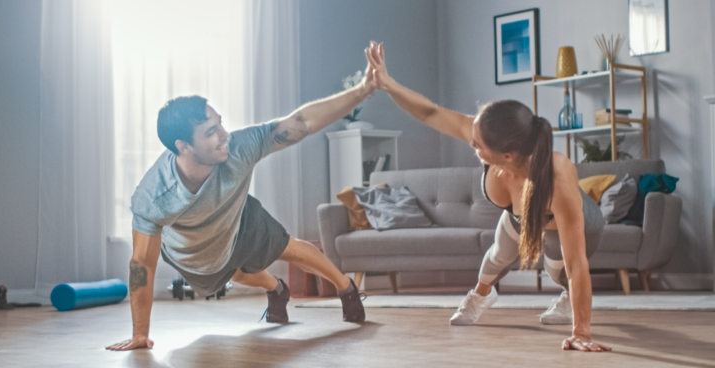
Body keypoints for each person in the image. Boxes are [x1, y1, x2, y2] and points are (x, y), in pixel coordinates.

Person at [106, 47, 376, 352]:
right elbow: (142, 263)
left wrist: (362, 90)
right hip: (197, 254)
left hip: (240, 217)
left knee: (290, 249)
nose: (225, 134)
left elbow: (302, 123)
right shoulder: (154, 195)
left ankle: (347, 288)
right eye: (211, 131)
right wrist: (140, 334)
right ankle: (277, 289)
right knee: (237, 274)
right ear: (183, 147)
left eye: (220, 123)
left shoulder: (239, 146)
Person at [365, 42, 610, 352]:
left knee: (559, 271)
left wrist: (582, 334)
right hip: (519, 215)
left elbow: (577, 265)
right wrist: (388, 84)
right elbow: (431, 113)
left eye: (478, 145)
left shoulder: (556, 179)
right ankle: (480, 295)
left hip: (573, 224)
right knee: (496, 256)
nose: (473, 146)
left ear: (507, 156)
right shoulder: (494, 139)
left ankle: (567, 301)